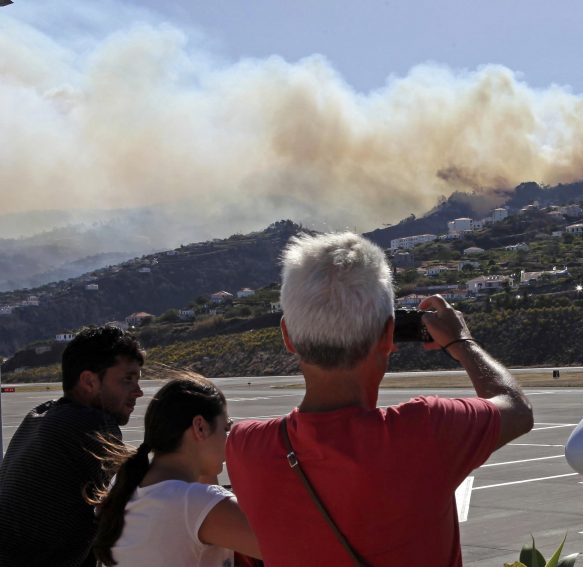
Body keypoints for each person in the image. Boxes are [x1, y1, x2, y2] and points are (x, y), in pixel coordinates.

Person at [226, 232, 534, 566]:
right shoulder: (427, 428)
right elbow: (516, 407)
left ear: (287, 336)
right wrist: (462, 342)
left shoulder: (244, 446)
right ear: (388, 336)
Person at [0, 326, 145, 567]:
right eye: (127, 379)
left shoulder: (40, 415)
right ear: (89, 381)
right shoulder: (92, 424)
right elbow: (143, 497)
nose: (138, 392)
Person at [90, 376, 261, 566]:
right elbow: (289, 548)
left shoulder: (123, 486)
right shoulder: (196, 503)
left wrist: (204, 464)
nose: (227, 440)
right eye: (225, 428)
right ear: (200, 427)